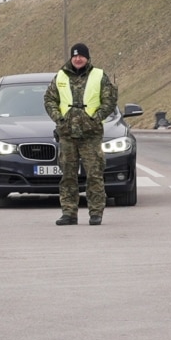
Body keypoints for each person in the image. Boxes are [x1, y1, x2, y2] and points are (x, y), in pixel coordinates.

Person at [43, 42, 117, 226]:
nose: (78, 59)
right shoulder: (60, 76)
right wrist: (59, 119)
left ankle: (96, 213)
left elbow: (109, 100)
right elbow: (49, 99)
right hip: (67, 134)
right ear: (71, 57)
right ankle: (69, 213)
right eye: (75, 56)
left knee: (94, 174)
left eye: (81, 56)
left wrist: (95, 118)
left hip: (90, 135)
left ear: (87, 58)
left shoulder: (99, 75)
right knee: (68, 175)